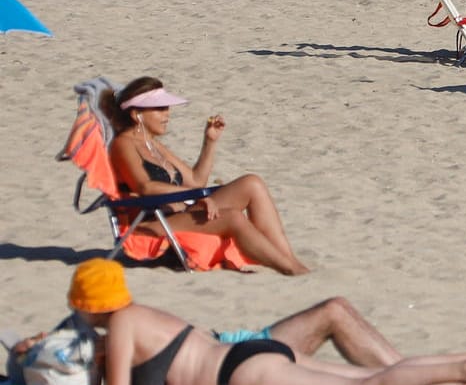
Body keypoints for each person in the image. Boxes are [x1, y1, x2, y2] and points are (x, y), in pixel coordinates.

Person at [63, 260, 466, 385]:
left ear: (87, 306)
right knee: (362, 379)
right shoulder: (142, 315)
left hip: (241, 374)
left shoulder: (121, 325)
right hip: (247, 354)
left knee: (366, 384)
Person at [103, 78, 311, 275]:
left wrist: (210, 141)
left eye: (167, 108)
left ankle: (290, 260)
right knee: (233, 217)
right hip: (150, 223)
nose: (167, 114)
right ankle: (291, 270)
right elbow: (144, 187)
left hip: (177, 215)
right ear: (136, 114)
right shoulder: (124, 144)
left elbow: (195, 181)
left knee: (252, 183)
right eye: (159, 109)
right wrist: (195, 196)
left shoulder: (152, 143)